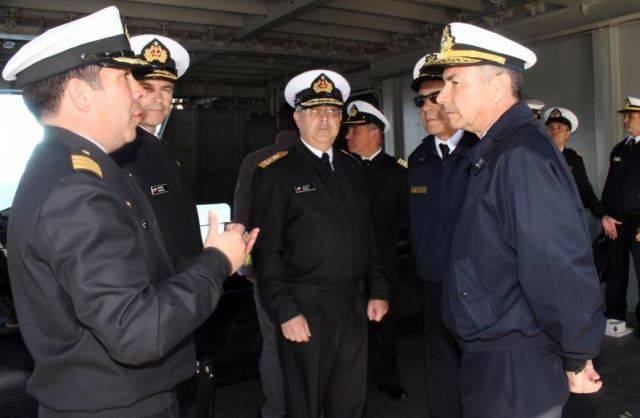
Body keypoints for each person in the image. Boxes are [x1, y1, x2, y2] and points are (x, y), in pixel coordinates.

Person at [3, 7, 258, 417]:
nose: (139, 93)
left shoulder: (72, 168)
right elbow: (138, 331)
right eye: (124, 78)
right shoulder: (76, 190)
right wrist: (217, 260)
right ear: (82, 95)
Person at [431, 22, 605, 417]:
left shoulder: (519, 155)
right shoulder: (499, 150)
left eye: (454, 81)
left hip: (515, 364)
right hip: (499, 354)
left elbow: (555, 264)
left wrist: (577, 355)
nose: (441, 95)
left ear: (497, 86)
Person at [250, 69, 388, 418]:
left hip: (353, 304)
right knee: (306, 403)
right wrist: (286, 311)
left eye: (332, 111)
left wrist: (378, 289)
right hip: (306, 307)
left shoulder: (353, 169)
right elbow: (267, 252)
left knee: (350, 399)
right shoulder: (276, 173)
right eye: (314, 111)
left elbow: (369, 235)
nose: (325, 119)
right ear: (298, 118)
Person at [407, 54, 477, 418]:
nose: (427, 107)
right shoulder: (419, 159)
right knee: (439, 367)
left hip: (478, 285)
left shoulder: (482, 151)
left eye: (435, 97)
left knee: (480, 370)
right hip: (433, 284)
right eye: (421, 100)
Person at [111, 34, 202, 266]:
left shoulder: (158, 146)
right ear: (130, 90)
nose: (158, 99)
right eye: (147, 87)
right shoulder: (118, 152)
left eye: (166, 89)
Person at [233, 103, 299, 418]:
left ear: (278, 123)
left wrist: (247, 265)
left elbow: (242, 217)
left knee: (272, 345)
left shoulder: (254, 161)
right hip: (313, 270)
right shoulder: (320, 157)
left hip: (266, 268)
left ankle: (274, 410)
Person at [343, 100, 409, 402]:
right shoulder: (341, 170)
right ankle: (349, 384)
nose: (348, 136)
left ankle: (387, 379)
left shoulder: (398, 173)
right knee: (348, 327)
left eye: (354, 131)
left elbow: (406, 219)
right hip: (348, 263)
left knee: (384, 326)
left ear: (375, 133)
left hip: (384, 262)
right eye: (348, 131)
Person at [601, 96, 640, 326]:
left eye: (630, 116)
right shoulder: (619, 148)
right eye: (624, 116)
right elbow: (610, 186)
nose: (625, 120)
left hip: (638, 221)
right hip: (616, 221)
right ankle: (615, 317)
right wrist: (604, 215)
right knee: (615, 271)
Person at [544, 107, 607, 219]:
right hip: (544, 216)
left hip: (569, 216)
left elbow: (585, 190)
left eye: (559, 128)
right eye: (550, 128)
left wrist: (602, 215)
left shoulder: (574, 158)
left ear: (567, 134)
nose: (554, 132)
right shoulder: (536, 156)